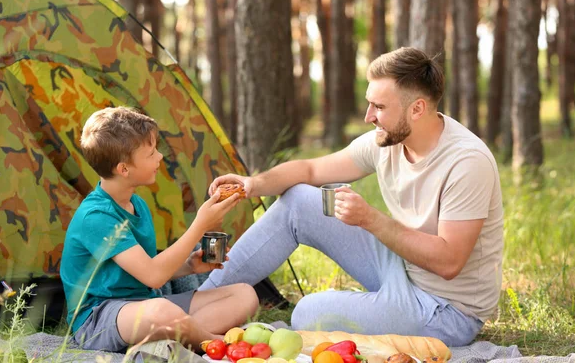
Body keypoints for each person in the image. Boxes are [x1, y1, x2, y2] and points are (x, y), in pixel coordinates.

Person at [199, 47, 504, 347]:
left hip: (445, 309)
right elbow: (308, 169)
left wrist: (370, 219)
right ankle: (198, 305)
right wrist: (252, 184)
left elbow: (449, 263)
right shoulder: (387, 141)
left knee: (307, 314)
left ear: (417, 109)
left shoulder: (466, 162)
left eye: (380, 107)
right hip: (403, 267)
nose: (368, 116)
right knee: (298, 201)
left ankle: (378, 311)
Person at [61, 107, 259, 353]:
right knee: (163, 313)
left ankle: (175, 338)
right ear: (124, 169)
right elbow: (153, 276)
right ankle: (216, 344)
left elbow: (144, 269)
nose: (160, 157)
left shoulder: (137, 204)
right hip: (100, 318)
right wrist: (200, 226)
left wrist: (189, 266)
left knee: (244, 294)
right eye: (151, 152)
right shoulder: (96, 216)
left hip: (145, 305)